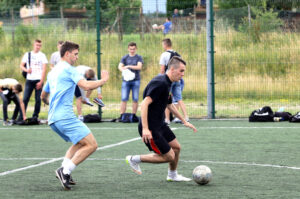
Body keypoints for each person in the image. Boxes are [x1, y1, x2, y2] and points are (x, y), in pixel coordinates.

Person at [41, 41, 109, 190]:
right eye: (75, 54)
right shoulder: (69, 69)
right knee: (92, 145)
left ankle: (65, 170)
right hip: (65, 117)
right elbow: (85, 85)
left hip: (53, 119)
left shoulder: (52, 72)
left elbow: (43, 95)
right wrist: (103, 80)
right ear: (67, 54)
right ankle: (65, 171)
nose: (77, 57)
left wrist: (51, 103)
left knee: (79, 143)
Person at [126, 56, 197, 182]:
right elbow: (144, 104)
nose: (183, 74)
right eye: (181, 71)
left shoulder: (168, 83)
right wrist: (146, 129)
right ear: (172, 69)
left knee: (176, 148)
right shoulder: (160, 83)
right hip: (151, 128)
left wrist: (184, 121)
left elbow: (169, 105)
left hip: (160, 124)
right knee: (170, 156)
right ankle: (134, 159)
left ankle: (172, 175)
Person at [159, 38, 189, 124]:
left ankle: (167, 119)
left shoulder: (164, 54)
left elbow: (162, 69)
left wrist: (161, 79)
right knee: (179, 99)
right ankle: (185, 117)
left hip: (169, 80)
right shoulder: (177, 55)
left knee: (166, 99)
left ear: (165, 45)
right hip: (178, 80)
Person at [20, 39, 48, 120]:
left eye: (40, 45)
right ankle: (22, 116)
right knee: (25, 98)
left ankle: (35, 116)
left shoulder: (42, 55)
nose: (38, 47)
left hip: (38, 79)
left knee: (38, 99)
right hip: (29, 80)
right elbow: (21, 65)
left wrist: (41, 81)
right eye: (37, 45)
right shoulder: (27, 54)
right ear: (33, 45)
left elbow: (44, 69)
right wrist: (26, 70)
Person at [118, 42, 143, 119]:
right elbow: (120, 66)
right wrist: (124, 71)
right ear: (128, 49)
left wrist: (128, 66)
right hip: (126, 81)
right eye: (131, 49)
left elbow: (139, 67)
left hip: (136, 81)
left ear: (136, 49)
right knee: (124, 98)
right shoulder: (124, 58)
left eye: (133, 49)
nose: (132, 50)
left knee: (135, 98)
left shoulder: (139, 57)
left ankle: (134, 115)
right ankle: (122, 115)